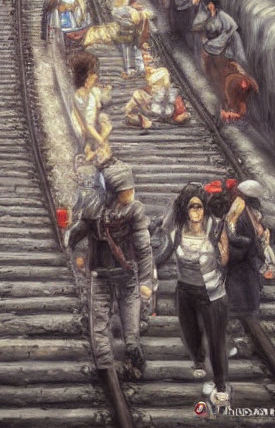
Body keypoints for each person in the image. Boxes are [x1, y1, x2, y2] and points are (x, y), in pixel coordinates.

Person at [67, 159, 153, 381]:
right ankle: (107, 372)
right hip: (105, 276)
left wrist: (145, 281)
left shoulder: (134, 211)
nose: (131, 193)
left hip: (126, 277)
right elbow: (76, 234)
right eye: (127, 190)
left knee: (131, 335)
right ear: (115, 192)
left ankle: (132, 362)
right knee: (99, 329)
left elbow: (144, 248)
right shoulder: (95, 211)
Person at [160, 183, 230, 408]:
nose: (197, 212)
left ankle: (220, 385)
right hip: (185, 290)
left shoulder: (216, 227)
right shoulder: (178, 229)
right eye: (191, 207)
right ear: (185, 210)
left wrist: (222, 254)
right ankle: (198, 360)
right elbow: (165, 244)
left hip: (211, 294)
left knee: (216, 340)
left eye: (200, 207)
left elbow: (227, 258)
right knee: (190, 333)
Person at [199, 0, 258, 122]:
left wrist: (211, 45)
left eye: (208, 5)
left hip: (228, 50)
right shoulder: (212, 16)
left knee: (230, 81)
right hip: (220, 50)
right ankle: (226, 108)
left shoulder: (224, 19)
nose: (207, 8)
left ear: (212, 4)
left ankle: (232, 111)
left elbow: (226, 36)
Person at [224, 180, 274, 323]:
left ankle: (246, 309)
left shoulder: (244, 207)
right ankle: (242, 309)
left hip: (247, 251)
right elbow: (233, 229)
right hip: (244, 252)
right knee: (244, 280)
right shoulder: (240, 209)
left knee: (247, 280)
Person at [69, 51, 112, 164]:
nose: (97, 76)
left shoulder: (89, 93)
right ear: (87, 76)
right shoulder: (81, 96)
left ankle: (96, 153)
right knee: (105, 127)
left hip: (89, 128)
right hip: (84, 131)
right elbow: (88, 126)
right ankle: (93, 155)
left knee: (104, 122)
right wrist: (101, 140)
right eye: (94, 73)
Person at [111, 0, 153, 78]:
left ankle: (135, 69)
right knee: (130, 51)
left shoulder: (116, 10)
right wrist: (133, 23)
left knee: (130, 51)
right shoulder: (122, 11)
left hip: (127, 35)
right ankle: (133, 69)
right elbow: (130, 22)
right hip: (126, 35)